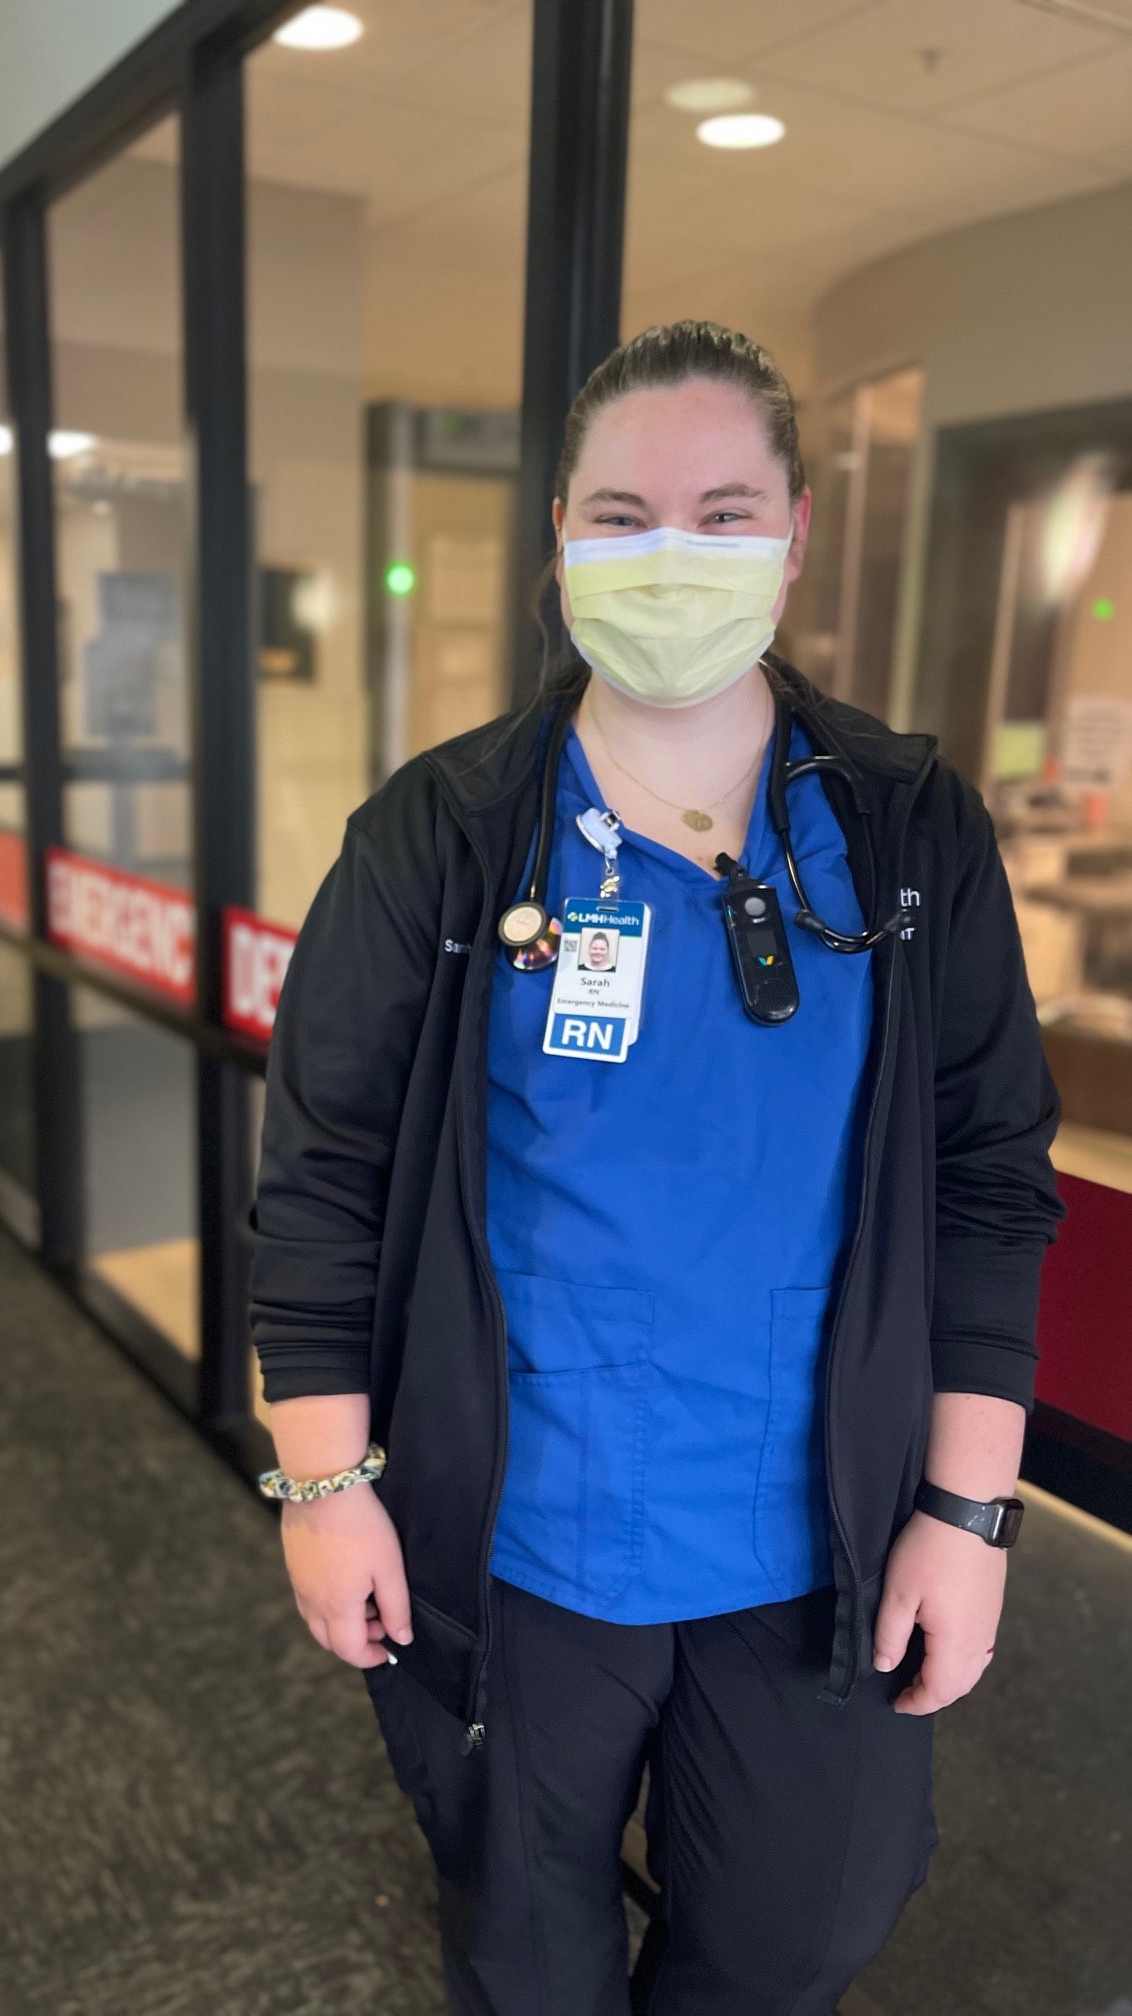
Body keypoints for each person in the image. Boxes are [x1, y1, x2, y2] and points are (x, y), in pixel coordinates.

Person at [249, 321, 1064, 2016]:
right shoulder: (446, 835)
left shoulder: (908, 832)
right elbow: (321, 1174)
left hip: (816, 1535)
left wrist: (967, 1512)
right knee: (524, 1949)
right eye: (621, 513)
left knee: (800, 1937)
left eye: (719, 511)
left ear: (796, 532)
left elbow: (990, 1179)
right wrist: (325, 1489)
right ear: (557, 537)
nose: (667, 555)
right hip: (524, 1538)